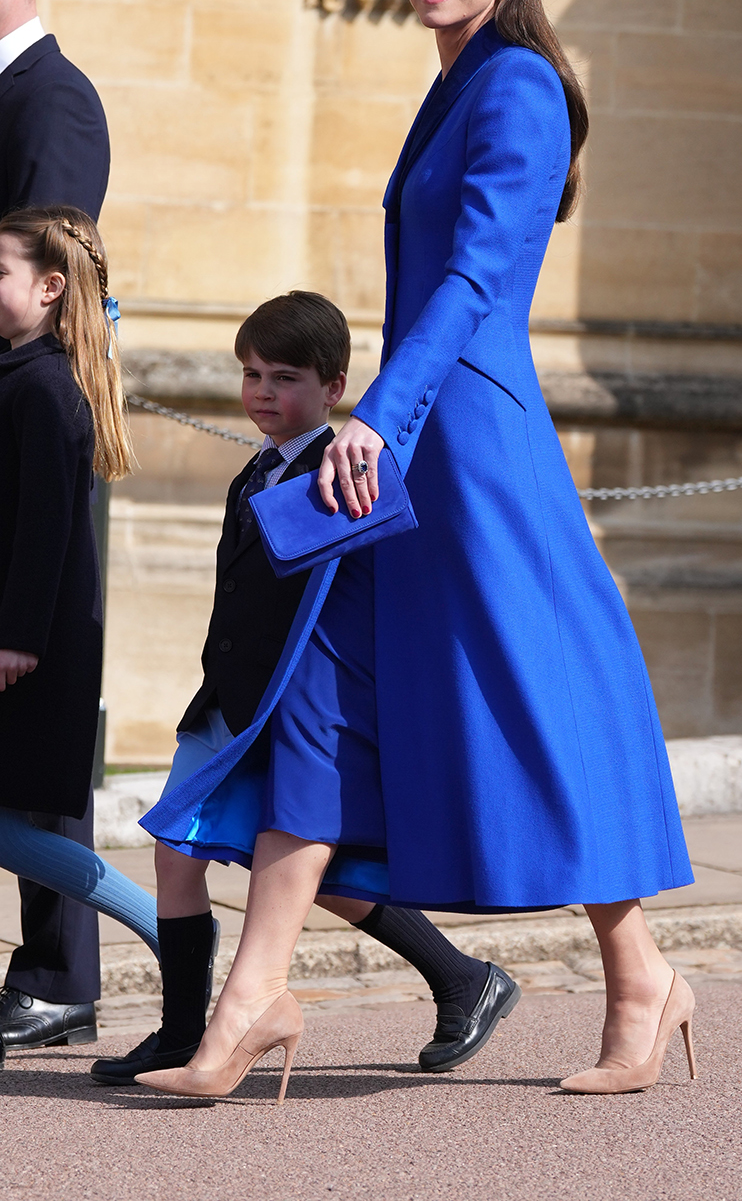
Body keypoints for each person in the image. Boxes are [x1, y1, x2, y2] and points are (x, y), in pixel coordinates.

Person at [137, 0, 696, 1103]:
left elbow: (476, 277)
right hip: (402, 428)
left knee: (533, 704)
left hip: (467, 443)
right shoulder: (455, 83)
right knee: (323, 694)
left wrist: (377, 415)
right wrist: (373, 417)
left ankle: (639, 975)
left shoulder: (519, 86)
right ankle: (249, 1004)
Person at [92, 290, 517, 1085]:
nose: (260, 391)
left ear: (334, 389)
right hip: (233, 700)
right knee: (185, 855)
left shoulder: (349, 474)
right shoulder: (250, 472)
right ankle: (183, 1032)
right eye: (251, 373)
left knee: (299, 870)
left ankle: (462, 976)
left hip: (304, 709)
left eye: (283, 376)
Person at [0, 206, 165, 1066]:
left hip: (30, 650)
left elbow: (46, 531)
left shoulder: (45, 386)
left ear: (49, 286)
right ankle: (179, 941)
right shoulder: (21, 373)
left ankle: (174, 936)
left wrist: (18, 638)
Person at [0, 0, 112, 1052]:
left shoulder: (52, 100)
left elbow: (49, 275)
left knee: (37, 723)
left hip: (29, 430)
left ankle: (61, 969)